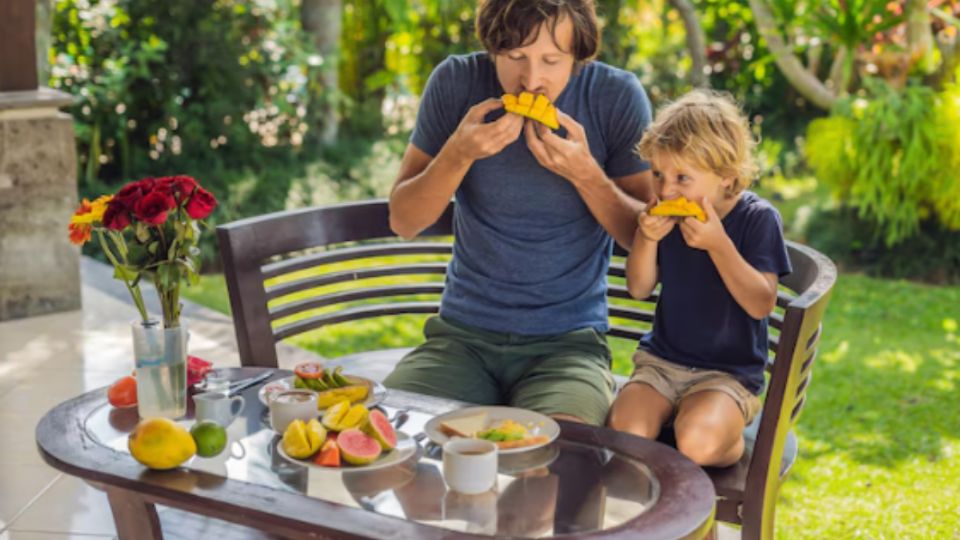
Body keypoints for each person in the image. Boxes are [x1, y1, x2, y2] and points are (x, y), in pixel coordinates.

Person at [383, 0, 654, 426]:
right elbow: (404, 221)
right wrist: (459, 153)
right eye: (514, 57)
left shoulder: (615, 96)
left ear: (578, 55)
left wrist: (586, 175)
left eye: (551, 60)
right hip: (460, 338)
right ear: (493, 48)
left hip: (568, 346)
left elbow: (643, 236)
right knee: (402, 441)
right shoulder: (456, 81)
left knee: (562, 462)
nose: (531, 79)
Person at [607, 90, 792, 467]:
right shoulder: (665, 213)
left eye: (682, 178)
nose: (665, 190)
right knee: (624, 432)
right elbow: (639, 288)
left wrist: (718, 245)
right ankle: (676, 416)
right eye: (658, 173)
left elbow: (761, 303)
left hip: (727, 376)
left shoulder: (758, 219)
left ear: (726, 177)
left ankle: (729, 442)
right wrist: (646, 237)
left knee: (697, 443)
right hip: (661, 363)